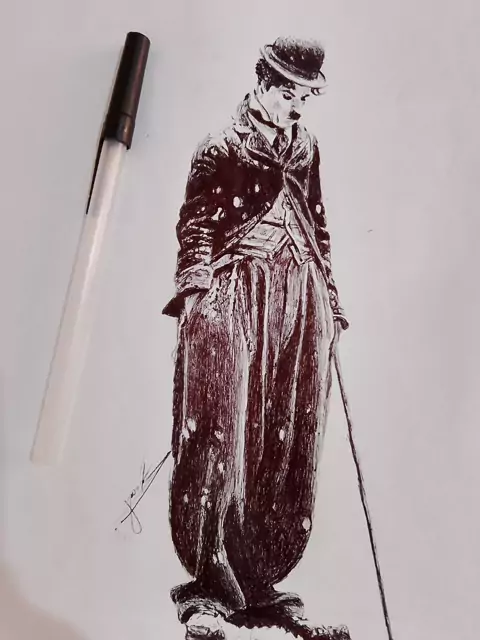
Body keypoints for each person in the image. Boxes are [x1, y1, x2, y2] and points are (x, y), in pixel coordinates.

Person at [162, 36, 351, 640]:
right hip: (236, 291)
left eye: (306, 96)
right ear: (265, 82)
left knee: (288, 428)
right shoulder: (220, 144)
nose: (297, 105)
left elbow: (318, 225)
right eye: (289, 92)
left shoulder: (307, 147)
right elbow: (195, 227)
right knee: (222, 428)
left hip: (298, 294)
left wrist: (331, 300)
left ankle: (262, 581)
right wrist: (196, 294)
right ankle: (210, 584)